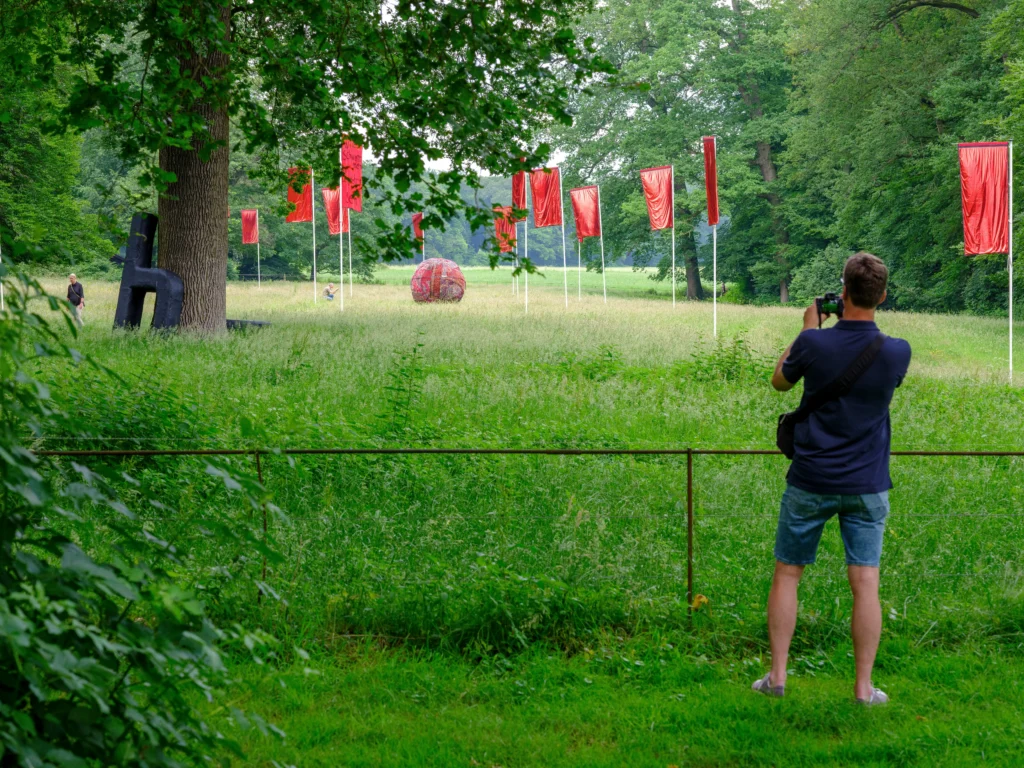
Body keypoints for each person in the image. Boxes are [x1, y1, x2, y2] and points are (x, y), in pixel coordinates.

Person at [753, 252, 911, 705]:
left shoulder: (814, 342)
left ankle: (778, 677)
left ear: (841, 294)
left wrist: (808, 328)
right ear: (881, 296)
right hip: (868, 483)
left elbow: (779, 383)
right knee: (865, 584)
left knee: (788, 574)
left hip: (810, 478)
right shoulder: (897, 350)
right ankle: (863, 688)